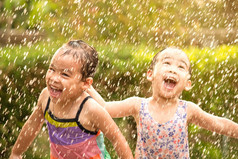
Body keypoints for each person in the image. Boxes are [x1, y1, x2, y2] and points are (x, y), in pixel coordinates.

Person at [87, 47, 238, 159]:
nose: (173, 69)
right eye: (167, 63)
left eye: (181, 67)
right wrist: (87, 87)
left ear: (188, 83)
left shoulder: (187, 109)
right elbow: (106, 108)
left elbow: (219, 124)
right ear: (150, 74)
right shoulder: (138, 105)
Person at [9, 40, 133, 159]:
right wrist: (16, 152)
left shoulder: (90, 109)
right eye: (52, 69)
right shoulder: (46, 98)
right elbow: (32, 125)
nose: (54, 78)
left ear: (85, 83)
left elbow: (118, 139)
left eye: (65, 74)